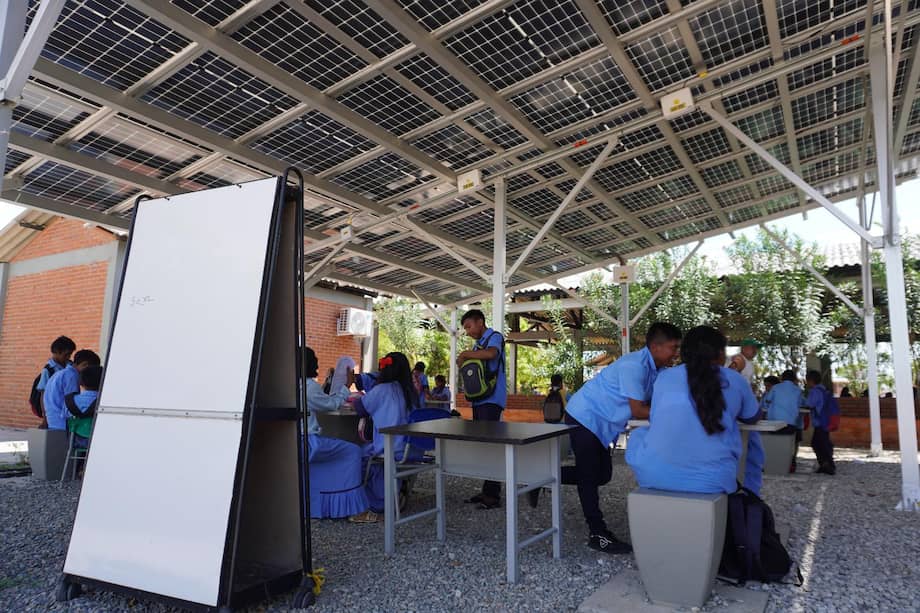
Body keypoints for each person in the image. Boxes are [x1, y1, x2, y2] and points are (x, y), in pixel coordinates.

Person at [561, 322, 682, 554]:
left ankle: (544, 479)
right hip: (584, 416)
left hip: (601, 423)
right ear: (656, 347)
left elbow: (661, 399)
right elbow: (638, 410)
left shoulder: (658, 370)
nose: (676, 353)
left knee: (602, 475)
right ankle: (597, 533)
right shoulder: (634, 366)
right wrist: (677, 413)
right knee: (588, 476)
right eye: (673, 347)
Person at [627, 326, 761, 495]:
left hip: (652, 476)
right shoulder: (734, 379)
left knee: (641, 434)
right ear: (720, 354)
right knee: (750, 441)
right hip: (714, 481)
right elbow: (752, 417)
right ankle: (753, 491)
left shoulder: (665, 377)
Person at [303, 347, 370, 521]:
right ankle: (354, 510)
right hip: (310, 443)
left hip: (293, 441)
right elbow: (331, 404)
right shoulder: (309, 386)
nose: (317, 361)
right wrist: (346, 386)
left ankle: (316, 505)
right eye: (315, 358)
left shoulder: (288, 384)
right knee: (352, 451)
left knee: (325, 459)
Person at [352, 352, 417, 523]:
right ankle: (397, 490)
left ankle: (375, 505)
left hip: (392, 449)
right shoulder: (411, 392)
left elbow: (361, 408)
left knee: (357, 455)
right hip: (413, 450)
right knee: (371, 455)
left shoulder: (382, 390)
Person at [456, 309, 506, 510]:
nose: (467, 331)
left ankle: (493, 495)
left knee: (492, 446)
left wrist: (465, 354)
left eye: (469, 326)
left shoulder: (495, 337)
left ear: (480, 322)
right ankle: (487, 490)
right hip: (479, 400)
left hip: (492, 400)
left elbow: (492, 354)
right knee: (484, 446)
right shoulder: (478, 344)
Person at [43, 349, 100, 432]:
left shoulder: (60, 373)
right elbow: (70, 405)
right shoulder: (72, 376)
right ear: (85, 365)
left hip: (53, 421)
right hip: (63, 424)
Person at [762, 370, 805, 472]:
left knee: (773, 444)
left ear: (781, 378)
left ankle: (771, 465)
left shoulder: (775, 388)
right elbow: (801, 404)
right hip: (790, 423)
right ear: (794, 379)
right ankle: (788, 466)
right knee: (788, 446)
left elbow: (767, 400)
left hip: (774, 423)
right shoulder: (798, 390)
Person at [34, 336, 76, 428]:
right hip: (55, 414)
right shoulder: (48, 370)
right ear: (57, 352)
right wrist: (45, 419)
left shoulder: (70, 366)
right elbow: (43, 395)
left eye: (70, 354)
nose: (68, 357)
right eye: (66, 355)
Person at [805, 370, 836, 475]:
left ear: (811, 381)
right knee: (823, 443)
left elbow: (809, 404)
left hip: (819, 421)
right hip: (826, 420)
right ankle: (826, 464)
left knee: (817, 444)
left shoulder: (815, 391)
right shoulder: (824, 390)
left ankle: (827, 465)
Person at [68, 365, 102, 449]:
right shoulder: (103, 401)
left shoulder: (70, 400)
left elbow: (66, 416)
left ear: (80, 382)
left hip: (76, 441)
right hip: (98, 441)